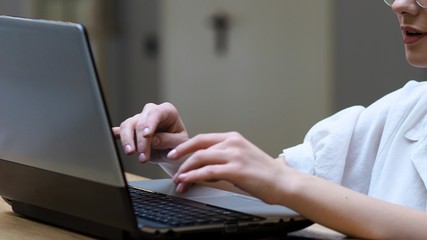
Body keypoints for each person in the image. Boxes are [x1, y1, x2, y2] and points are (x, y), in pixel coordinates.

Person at [113, 0, 427, 238]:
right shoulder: (407, 107)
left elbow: (285, 184)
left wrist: (282, 183)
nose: (400, 5)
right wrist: (183, 155)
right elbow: (271, 181)